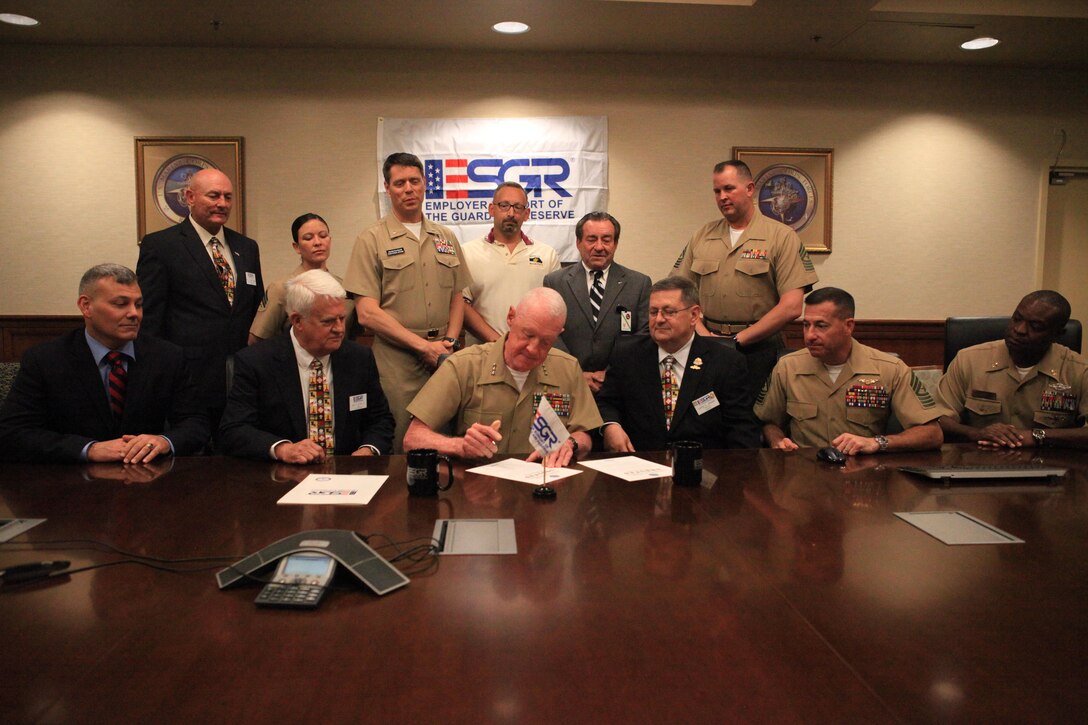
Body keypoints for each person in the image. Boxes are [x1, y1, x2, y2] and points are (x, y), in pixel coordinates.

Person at [0, 264, 209, 462]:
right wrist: (88, 449)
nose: (134, 314)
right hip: (71, 484)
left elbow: (196, 423)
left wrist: (163, 441)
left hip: (148, 482)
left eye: (138, 304)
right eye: (120, 304)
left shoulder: (167, 357)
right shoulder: (46, 359)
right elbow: (12, 433)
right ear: (86, 306)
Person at [343, 152, 473, 452]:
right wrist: (423, 347)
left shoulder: (445, 236)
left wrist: (449, 342)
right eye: (399, 183)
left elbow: (457, 295)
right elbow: (366, 314)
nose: (409, 189)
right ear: (387, 188)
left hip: (444, 358)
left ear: (425, 184)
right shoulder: (371, 240)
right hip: (396, 361)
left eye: (415, 181)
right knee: (403, 443)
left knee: (446, 441)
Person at [403, 288, 602, 466]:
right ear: (511, 317)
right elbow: (413, 439)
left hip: (543, 485)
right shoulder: (465, 365)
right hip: (479, 491)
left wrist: (571, 443)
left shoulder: (568, 369)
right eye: (528, 335)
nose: (533, 349)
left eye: (545, 342)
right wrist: (460, 446)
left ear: (558, 334)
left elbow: (584, 434)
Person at [676, 160, 818, 398]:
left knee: (758, 420)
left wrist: (738, 340)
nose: (722, 196)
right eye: (717, 191)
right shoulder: (702, 235)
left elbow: (792, 306)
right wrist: (703, 335)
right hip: (708, 345)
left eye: (729, 188)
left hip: (760, 350)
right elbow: (680, 294)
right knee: (707, 415)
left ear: (750, 189)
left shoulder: (781, 236)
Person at [219, 270, 394, 463]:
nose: (339, 329)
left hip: (347, 477)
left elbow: (380, 421)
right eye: (328, 321)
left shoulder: (358, 358)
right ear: (297, 321)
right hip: (281, 480)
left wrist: (368, 450)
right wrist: (282, 449)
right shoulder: (257, 362)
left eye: (342, 318)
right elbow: (234, 430)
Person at [136, 168, 263, 427]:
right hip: (188, 376)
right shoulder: (161, 246)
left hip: (241, 374)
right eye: (214, 196)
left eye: (228, 197)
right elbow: (150, 317)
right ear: (190, 197)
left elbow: (254, 307)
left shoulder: (247, 247)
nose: (222, 204)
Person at [755, 287, 944, 454]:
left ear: (848, 326)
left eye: (821, 326)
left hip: (863, 475)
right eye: (806, 325)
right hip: (804, 475)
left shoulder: (889, 369)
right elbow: (767, 422)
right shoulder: (788, 367)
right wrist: (777, 440)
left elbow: (932, 434)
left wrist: (878, 443)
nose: (810, 335)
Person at [597, 276, 761, 452]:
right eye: (653, 312)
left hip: (705, 467)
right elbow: (606, 402)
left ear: (694, 315)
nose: (659, 319)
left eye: (669, 312)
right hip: (641, 463)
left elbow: (741, 429)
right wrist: (610, 426)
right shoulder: (627, 355)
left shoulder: (726, 362)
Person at [937, 290, 1088, 449]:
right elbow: (939, 419)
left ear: (1057, 334)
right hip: (979, 462)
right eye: (1017, 319)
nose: (1020, 330)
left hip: (1050, 465)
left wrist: (1038, 436)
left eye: (1035, 326)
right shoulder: (969, 360)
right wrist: (976, 433)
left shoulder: (1079, 371)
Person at [543, 212, 651, 394]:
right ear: (578, 243)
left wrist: (611, 372)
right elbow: (550, 334)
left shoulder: (639, 283)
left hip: (619, 386)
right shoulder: (555, 282)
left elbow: (643, 335)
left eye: (606, 240)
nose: (599, 247)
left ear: (615, 243)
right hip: (568, 384)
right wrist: (576, 373)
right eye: (591, 239)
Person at [461, 182, 560, 345]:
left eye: (518, 207)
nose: (511, 213)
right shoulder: (467, 252)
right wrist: (499, 343)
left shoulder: (547, 255)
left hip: (531, 353)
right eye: (504, 205)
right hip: (483, 354)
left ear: (527, 213)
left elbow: (554, 310)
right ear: (492, 209)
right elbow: (461, 305)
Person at [248, 213, 356, 344]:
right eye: (308, 238)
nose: (318, 243)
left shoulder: (344, 288)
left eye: (323, 236)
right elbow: (257, 340)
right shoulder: (282, 288)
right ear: (297, 247)